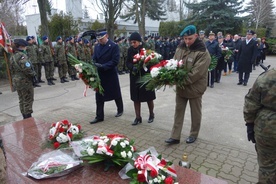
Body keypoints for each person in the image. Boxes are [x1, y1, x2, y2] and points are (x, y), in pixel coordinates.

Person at [165, 25, 211, 144]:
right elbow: (174, 62)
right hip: (181, 87)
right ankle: (175, 136)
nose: (187, 41)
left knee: (195, 112)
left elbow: (196, 73)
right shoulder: (180, 47)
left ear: (196, 36)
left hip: (195, 88)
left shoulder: (203, 52)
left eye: (189, 38)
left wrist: (177, 80)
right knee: (178, 111)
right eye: (185, 39)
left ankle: (193, 134)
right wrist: (168, 75)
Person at [243, 67, 276, 184]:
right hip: (268, 129)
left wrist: (249, 124)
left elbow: (252, 101)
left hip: (268, 129)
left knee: (267, 167)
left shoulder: (267, 76)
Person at [90, 29, 124, 124]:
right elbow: (94, 58)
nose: (100, 41)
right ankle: (99, 116)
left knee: (115, 93)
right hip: (100, 75)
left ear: (107, 36)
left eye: (102, 38)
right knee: (99, 96)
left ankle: (120, 109)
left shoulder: (114, 46)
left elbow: (115, 61)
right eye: (99, 39)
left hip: (110, 74)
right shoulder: (97, 46)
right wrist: (93, 64)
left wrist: (104, 66)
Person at [126, 32, 156, 125]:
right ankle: (138, 117)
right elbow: (127, 62)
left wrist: (145, 64)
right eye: (131, 42)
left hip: (145, 76)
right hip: (134, 76)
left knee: (148, 97)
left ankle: (151, 114)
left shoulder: (146, 49)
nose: (133, 44)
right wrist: (132, 67)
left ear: (139, 41)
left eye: (134, 42)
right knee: (136, 98)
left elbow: (152, 61)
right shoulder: (130, 50)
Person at [10, 39, 36, 119]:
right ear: (21, 46)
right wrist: (33, 74)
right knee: (28, 99)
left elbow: (12, 70)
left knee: (22, 99)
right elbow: (27, 68)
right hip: (24, 81)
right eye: (24, 46)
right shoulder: (22, 56)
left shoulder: (12, 56)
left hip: (17, 81)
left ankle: (24, 116)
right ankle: (28, 118)